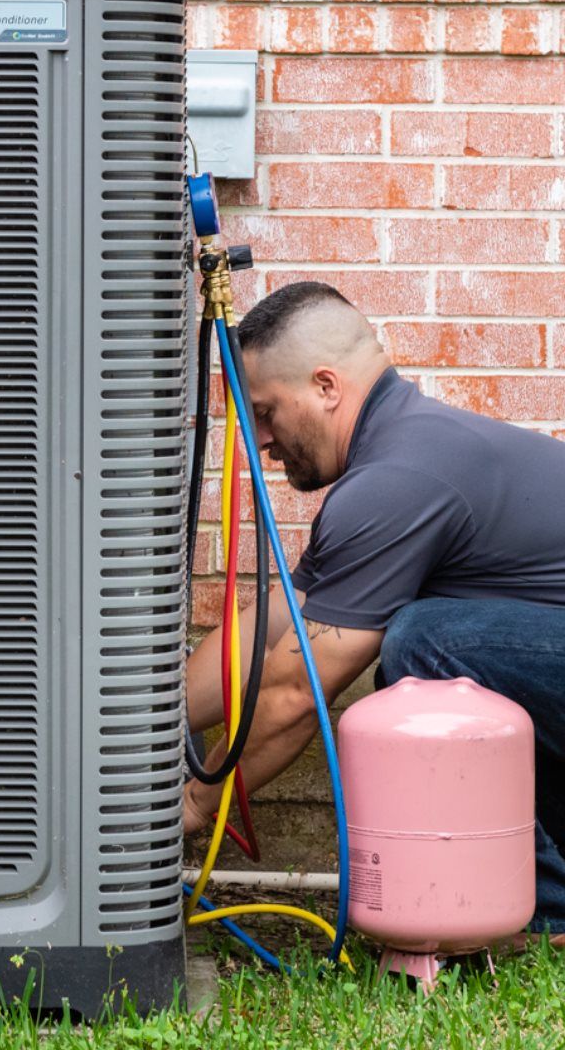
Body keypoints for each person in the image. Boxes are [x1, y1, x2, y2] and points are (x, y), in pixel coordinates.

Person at [182, 281, 565, 939]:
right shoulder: (402, 453)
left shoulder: (396, 480)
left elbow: (299, 690)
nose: (263, 441)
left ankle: (549, 908)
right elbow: (285, 620)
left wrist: (187, 807)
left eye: (267, 411)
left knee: (422, 643)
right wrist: (149, 723)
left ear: (327, 386)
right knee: (433, 636)